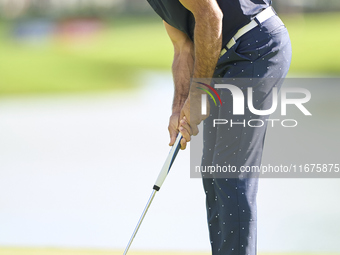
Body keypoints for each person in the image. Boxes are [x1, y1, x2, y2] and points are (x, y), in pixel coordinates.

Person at [146, 0, 292, 254]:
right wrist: (179, 108)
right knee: (214, 172)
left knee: (229, 172)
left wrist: (200, 92)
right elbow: (183, 48)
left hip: (255, 45)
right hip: (222, 58)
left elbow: (211, 16)